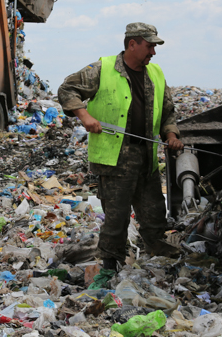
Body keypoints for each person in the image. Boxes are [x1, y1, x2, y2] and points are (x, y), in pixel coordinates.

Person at [58, 22, 184, 270]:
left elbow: (167, 110)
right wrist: (85, 116)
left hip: (146, 156)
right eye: (149, 46)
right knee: (116, 217)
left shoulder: (155, 73)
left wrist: (170, 135)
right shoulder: (102, 68)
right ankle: (109, 265)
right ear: (132, 44)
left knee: (154, 211)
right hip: (114, 157)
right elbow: (67, 89)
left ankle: (157, 255)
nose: (153, 53)